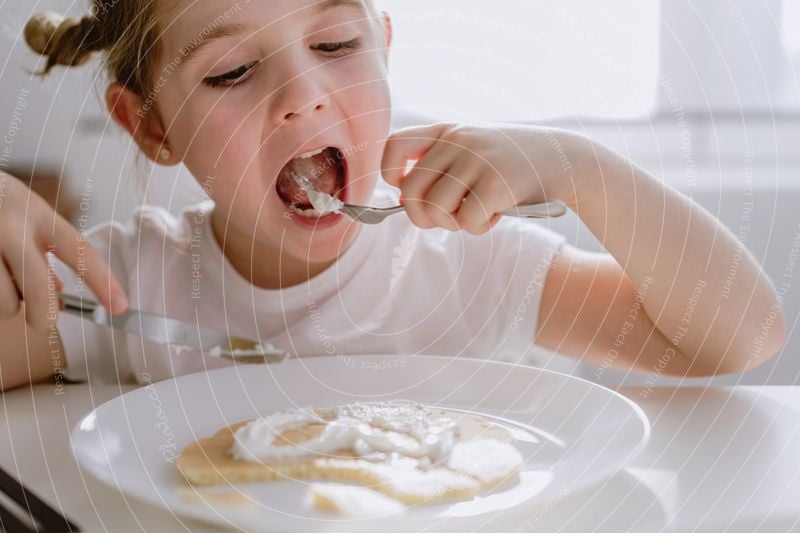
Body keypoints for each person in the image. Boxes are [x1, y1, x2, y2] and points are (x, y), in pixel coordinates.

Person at [0, 0, 784, 389]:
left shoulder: (467, 267)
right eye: (232, 71)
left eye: (336, 43)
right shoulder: (120, 290)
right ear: (150, 129)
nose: (303, 98)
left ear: (383, 47)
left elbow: (740, 338)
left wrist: (581, 169)